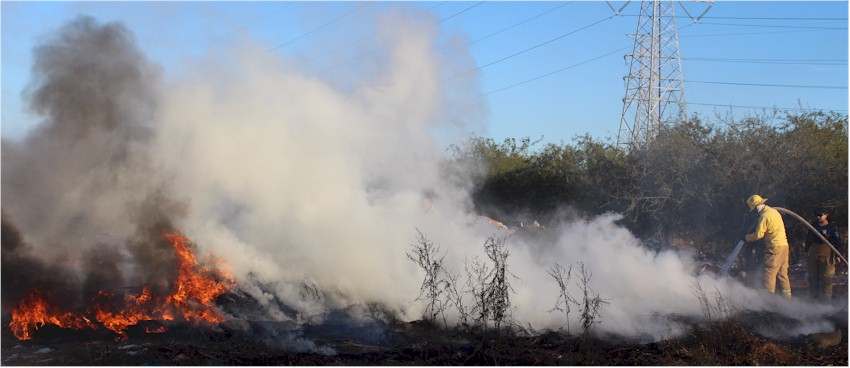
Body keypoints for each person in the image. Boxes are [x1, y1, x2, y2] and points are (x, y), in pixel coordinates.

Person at [744, 194, 792, 298]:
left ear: (756, 207)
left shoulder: (764, 216)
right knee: (782, 274)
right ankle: (787, 300)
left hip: (774, 247)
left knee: (769, 274)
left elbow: (758, 235)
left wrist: (746, 237)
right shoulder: (774, 212)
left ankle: (768, 302)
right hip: (784, 246)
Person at [804, 209, 840, 300]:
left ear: (826, 215)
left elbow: (837, 241)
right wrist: (806, 250)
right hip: (814, 250)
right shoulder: (813, 226)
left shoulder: (832, 227)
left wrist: (838, 255)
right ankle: (813, 296)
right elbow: (808, 239)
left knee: (827, 276)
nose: (819, 217)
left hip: (827, 250)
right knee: (813, 275)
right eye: (817, 215)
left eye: (821, 215)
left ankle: (826, 298)